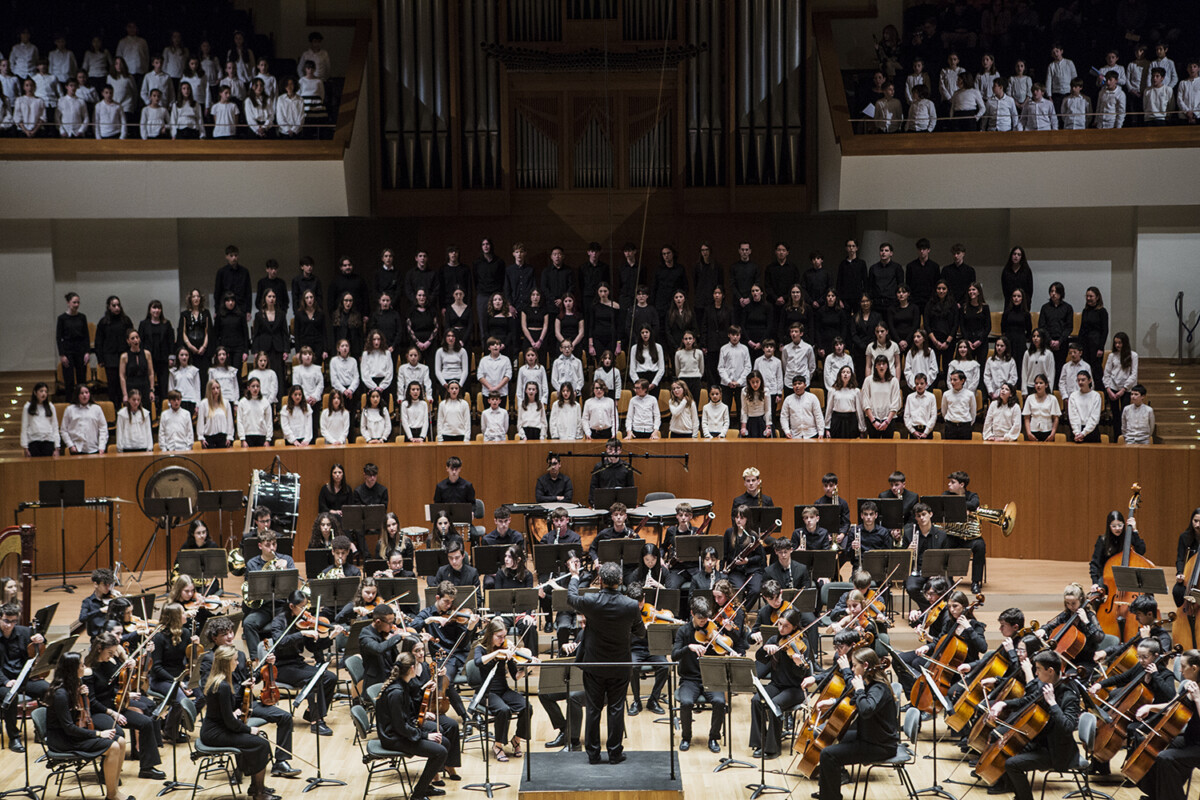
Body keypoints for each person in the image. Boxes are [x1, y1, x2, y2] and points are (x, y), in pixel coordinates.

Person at [566, 556, 642, 764]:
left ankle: (593, 754)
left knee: (593, 709)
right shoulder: (631, 605)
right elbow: (640, 632)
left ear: (600, 580)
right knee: (616, 709)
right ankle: (615, 754)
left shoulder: (591, 601)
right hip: (620, 665)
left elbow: (571, 598)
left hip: (595, 665)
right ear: (620, 580)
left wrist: (575, 576)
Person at [988, 651, 1080, 800]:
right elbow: (1026, 701)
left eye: (1038, 669)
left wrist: (1053, 703)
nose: (1035, 673)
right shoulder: (1046, 686)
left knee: (1012, 764)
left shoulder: (1069, 696)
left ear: (1050, 671)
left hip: (1057, 752)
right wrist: (1003, 703)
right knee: (1007, 749)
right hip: (1040, 743)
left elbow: (1068, 727)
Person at [45, 651, 130, 800]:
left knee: (121, 741)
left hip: (74, 734)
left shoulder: (72, 687)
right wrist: (99, 733)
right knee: (113, 747)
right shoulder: (60, 695)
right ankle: (111, 795)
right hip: (63, 740)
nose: (85, 667)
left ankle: (115, 790)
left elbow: (81, 715)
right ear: (72, 669)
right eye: (82, 665)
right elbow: (69, 728)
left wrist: (80, 694)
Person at [674, 596, 743, 753]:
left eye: (706, 618)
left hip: (711, 678)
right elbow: (674, 655)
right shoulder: (683, 631)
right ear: (692, 613)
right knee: (686, 703)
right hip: (690, 679)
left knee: (720, 702)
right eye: (700, 618)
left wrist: (728, 649)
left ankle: (713, 737)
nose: (703, 622)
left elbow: (733, 641)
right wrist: (688, 647)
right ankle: (686, 737)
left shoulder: (714, 629)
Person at [1132, 648, 1200, 800]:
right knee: (1154, 746)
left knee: (1166, 758)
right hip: (1191, 738)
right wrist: (1150, 707)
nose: (1180, 670)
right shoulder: (1190, 684)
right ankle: (1156, 795)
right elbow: (1172, 706)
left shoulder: (1196, 692)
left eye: (1183, 666)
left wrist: (1197, 699)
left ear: (1194, 668)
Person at [473, 617, 533, 762]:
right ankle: (498, 745)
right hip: (487, 692)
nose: (503, 640)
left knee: (527, 706)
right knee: (503, 710)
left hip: (503, 690)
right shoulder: (480, 649)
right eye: (499, 637)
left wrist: (528, 667)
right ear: (490, 635)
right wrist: (497, 653)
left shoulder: (506, 650)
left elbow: (515, 676)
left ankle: (516, 739)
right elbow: (478, 662)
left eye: (504, 636)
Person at [588, 438, 634, 507]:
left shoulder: (627, 467)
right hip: (603, 504)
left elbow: (630, 488)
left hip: (621, 505)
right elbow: (593, 487)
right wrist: (593, 503)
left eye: (616, 450)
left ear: (620, 451)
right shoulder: (599, 467)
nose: (613, 452)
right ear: (606, 450)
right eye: (610, 450)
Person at [20, 381, 59, 457]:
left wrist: (57, 447)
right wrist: (25, 447)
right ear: (35, 392)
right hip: (33, 441)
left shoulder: (50, 406)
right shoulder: (28, 407)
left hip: (48, 441)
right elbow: (24, 427)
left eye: (45, 392)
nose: (44, 394)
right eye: (41, 391)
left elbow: (55, 426)